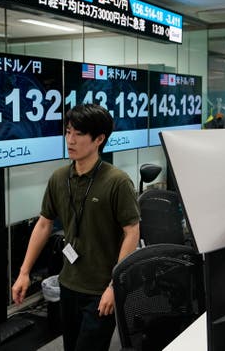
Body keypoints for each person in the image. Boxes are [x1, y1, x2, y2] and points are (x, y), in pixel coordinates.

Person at [11, 103, 140, 351]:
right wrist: (24, 272)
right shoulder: (59, 178)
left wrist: (115, 285)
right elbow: (43, 224)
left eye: (79, 134)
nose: (70, 140)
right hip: (69, 283)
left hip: (102, 287)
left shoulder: (117, 181)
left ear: (99, 139)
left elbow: (132, 232)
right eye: (68, 132)